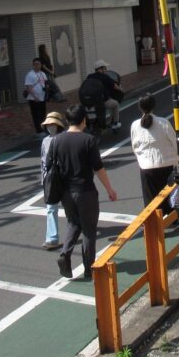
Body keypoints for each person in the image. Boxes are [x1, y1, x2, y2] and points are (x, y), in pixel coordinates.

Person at [52, 104, 117, 280]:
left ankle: (65, 254)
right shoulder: (88, 140)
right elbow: (98, 168)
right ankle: (89, 268)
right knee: (89, 230)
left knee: (73, 223)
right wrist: (109, 189)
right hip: (85, 191)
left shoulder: (57, 140)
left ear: (67, 120)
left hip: (66, 192)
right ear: (84, 120)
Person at [129, 94, 179, 210]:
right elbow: (174, 142)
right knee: (169, 197)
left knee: (151, 202)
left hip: (146, 167)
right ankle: (171, 220)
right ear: (153, 106)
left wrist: (140, 160)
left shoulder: (135, 125)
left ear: (140, 107)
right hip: (167, 165)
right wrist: (178, 159)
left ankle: (154, 224)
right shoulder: (163, 122)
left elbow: (134, 146)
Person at [39, 111, 66, 251]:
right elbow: (42, 161)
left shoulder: (64, 139)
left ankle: (77, 230)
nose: (50, 127)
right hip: (50, 178)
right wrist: (43, 178)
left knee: (69, 206)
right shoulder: (45, 141)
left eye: (53, 124)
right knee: (51, 208)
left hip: (63, 177)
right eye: (48, 125)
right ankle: (52, 238)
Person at [78, 60, 123, 132]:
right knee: (115, 104)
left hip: (88, 102)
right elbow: (115, 86)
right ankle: (115, 123)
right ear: (100, 69)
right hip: (101, 102)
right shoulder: (105, 77)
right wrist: (120, 89)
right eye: (105, 68)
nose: (106, 70)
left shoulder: (89, 76)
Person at [23, 58, 48, 133]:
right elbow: (28, 87)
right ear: (33, 65)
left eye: (38, 64)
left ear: (41, 65)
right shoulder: (30, 74)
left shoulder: (43, 74)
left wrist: (47, 89)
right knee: (36, 115)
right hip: (33, 99)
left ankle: (43, 127)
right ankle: (39, 130)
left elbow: (45, 83)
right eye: (35, 64)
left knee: (43, 113)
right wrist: (34, 97)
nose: (36, 66)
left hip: (42, 97)